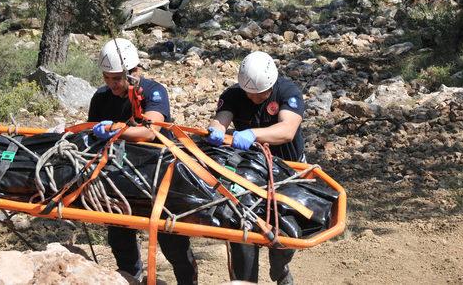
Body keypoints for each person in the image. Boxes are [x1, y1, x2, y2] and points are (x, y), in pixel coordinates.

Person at [88, 38, 198, 285]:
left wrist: (116, 130)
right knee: (119, 238)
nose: (111, 84)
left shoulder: (153, 91)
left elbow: (150, 130)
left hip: (160, 176)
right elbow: (91, 134)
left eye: (117, 78)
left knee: (173, 243)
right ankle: (132, 279)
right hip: (121, 176)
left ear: (134, 72)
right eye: (107, 78)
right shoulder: (101, 97)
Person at [205, 51, 305, 285]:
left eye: (259, 95)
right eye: (248, 93)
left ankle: (279, 270)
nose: (252, 99)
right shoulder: (234, 95)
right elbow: (221, 118)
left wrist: (253, 134)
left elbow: (287, 130)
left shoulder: (287, 92)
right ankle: (246, 281)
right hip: (250, 171)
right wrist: (217, 128)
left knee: (286, 232)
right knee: (243, 228)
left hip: (288, 169)